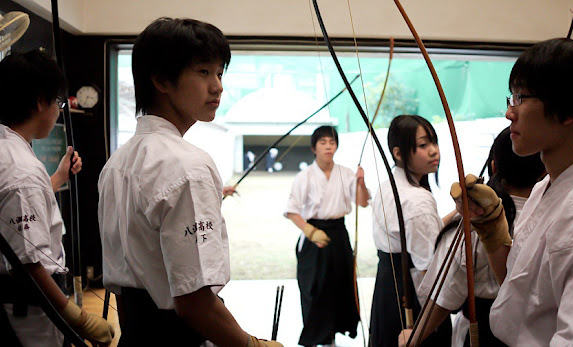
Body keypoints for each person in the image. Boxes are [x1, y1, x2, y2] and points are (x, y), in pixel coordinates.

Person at [98, 18, 281, 347]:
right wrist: (251, 345)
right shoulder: (188, 165)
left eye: (219, 72)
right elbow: (194, 303)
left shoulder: (117, 162)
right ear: (161, 80)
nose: (218, 86)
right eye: (203, 71)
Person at [452, 38, 573, 345]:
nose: (509, 113)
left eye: (521, 98)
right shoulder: (545, 187)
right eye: (511, 98)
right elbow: (521, 292)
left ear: (571, 111)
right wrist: (491, 228)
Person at [0, 50, 113, 346]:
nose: (59, 110)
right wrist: (76, 316)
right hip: (30, 313)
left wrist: (59, 178)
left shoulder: (7, 150)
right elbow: (29, 264)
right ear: (40, 102)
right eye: (58, 102)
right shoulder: (22, 170)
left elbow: (15, 213)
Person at [399, 127, 545, 347]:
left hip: (481, 331)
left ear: (494, 166)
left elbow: (446, 293)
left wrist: (415, 337)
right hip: (539, 331)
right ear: (544, 172)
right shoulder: (552, 218)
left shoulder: (476, 224)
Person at [369, 115, 451, 347]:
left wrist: (458, 214)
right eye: (424, 145)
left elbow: (417, 234)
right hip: (411, 298)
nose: (434, 151)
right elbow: (428, 270)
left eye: (434, 142)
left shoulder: (388, 186)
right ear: (398, 153)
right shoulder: (416, 201)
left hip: (387, 291)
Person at [285, 125, 369, 346]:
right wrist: (310, 231)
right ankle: (318, 337)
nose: (328, 146)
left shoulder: (345, 173)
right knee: (315, 288)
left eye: (332, 142)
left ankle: (332, 336)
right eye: (323, 142)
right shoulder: (305, 176)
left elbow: (362, 201)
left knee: (341, 286)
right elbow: (292, 211)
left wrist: (361, 182)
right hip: (314, 237)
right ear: (314, 148)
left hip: (339, 236)